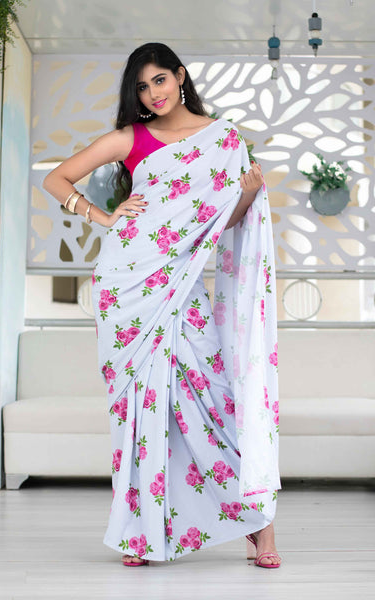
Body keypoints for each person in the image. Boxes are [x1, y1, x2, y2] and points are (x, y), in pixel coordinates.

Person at [43, 42, 282, 568]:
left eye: (159, 80)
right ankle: (139, 531)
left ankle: (259, 526)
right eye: (142, 87)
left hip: (184, 283)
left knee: (215, 397)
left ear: (180, 76)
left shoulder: (222, 139)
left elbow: (223, 222)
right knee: (136, 408)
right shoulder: (129, 138)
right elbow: (55, 178)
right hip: (126, 285)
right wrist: (103, 217)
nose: (153, 93)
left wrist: (247, 193)